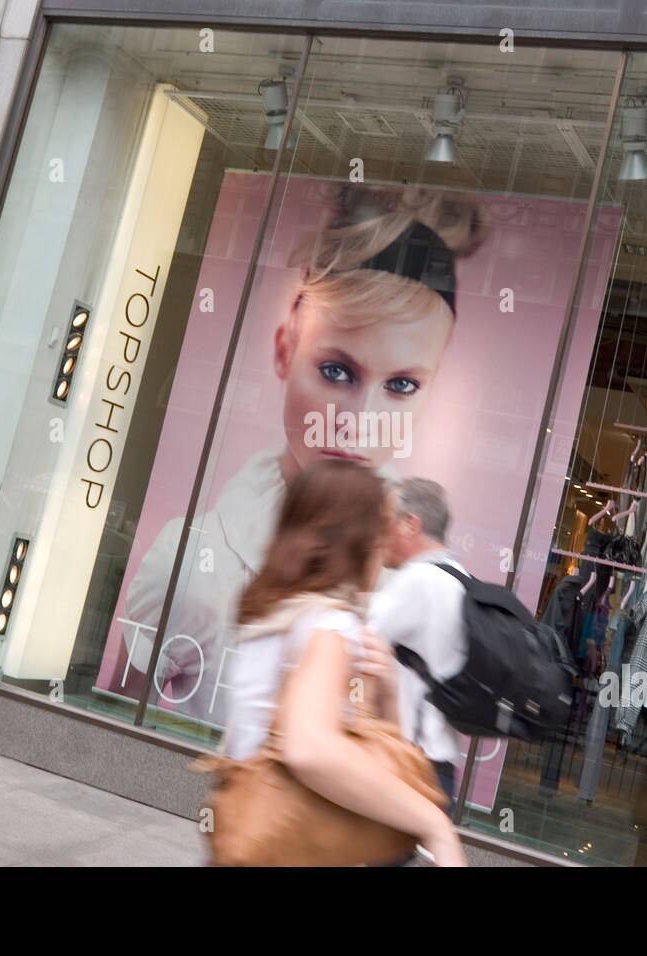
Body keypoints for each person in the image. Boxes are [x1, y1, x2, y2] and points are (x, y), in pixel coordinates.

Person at [120, 184, 488, 723]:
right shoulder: (193, 557)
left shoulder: (416, 590)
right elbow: (121, 721)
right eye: (337, 371)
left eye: (402, 386)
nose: (359, 421)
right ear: (284, 348)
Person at [222, 457, 465, 865]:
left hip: (248, 832)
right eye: (382, 526)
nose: (386, 542)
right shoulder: (330, 623)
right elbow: (311, 748)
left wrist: (385, 686)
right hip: (297, 841)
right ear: (358, 537)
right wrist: (433, 825)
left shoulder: (275, 608)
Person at [367, 477, 466, 809]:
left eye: (385, 522)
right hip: (440, 762)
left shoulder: (416, 582)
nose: (378, 534)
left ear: (411, 525)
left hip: (408, 760)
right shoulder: (457, 577)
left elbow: (350, 645)